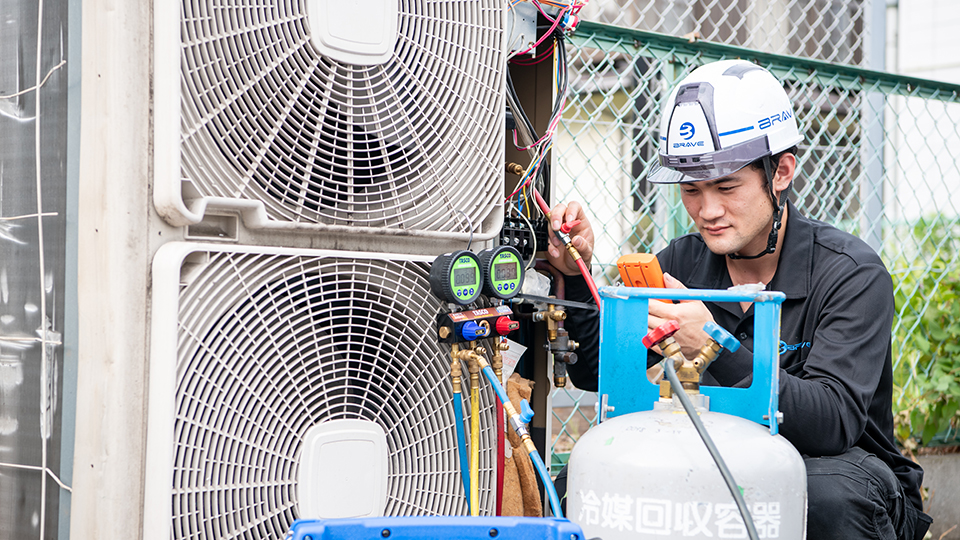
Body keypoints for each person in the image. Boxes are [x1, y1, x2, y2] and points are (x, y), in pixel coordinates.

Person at [545, 59, 931, 540]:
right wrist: (574, 273)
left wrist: (713, 341)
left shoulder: (850, 274)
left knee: (825, 495)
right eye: (691, 190)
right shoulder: (684, 262)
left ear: (782, 171)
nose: (708, 211)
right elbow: (591, 369)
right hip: (717, 446)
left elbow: (832, 423)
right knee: (581, 479)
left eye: (727, 187)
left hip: (842, 465)